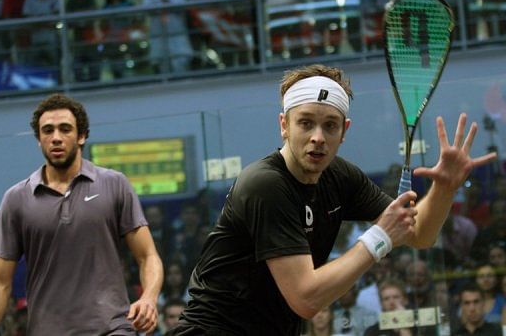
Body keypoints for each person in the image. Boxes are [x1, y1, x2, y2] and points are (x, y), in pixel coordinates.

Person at [168, 64, 496, 336]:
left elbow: (420, 234)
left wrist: (444, 190)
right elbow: (306, 298)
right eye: (305, 123)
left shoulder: (340, 177)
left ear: (345, 131)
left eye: (330, 126)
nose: (318, 138)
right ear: (284, 125)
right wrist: (379, 237)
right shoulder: (265, 185)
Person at [0, 93, 164, 334]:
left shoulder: (114, 184)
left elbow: (148, 256)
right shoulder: (16, 199)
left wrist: (149, 298)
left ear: (81, 135)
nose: (56, 138)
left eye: (65, 129)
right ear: (38, 140)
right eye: (47, 131)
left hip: (113, 328)